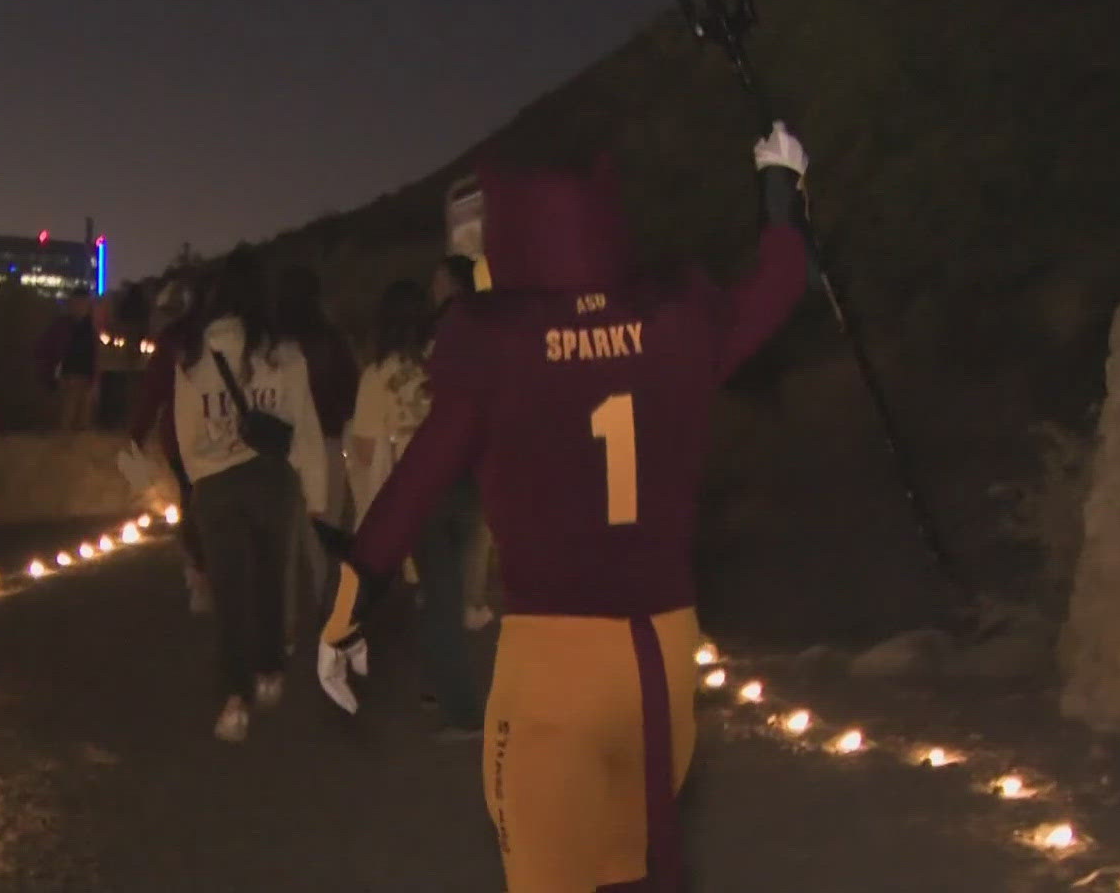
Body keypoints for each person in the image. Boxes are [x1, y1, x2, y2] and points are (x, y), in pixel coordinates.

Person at [318, 125, 811, 891]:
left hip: (555, 665)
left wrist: (348, 605)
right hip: (664, 662)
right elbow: (776, 289)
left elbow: (416, 479)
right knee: (627, 870)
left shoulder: (490, 344)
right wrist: (781, 193)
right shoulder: (676, 316)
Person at [172, 248, 328, 742]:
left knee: (230, 592)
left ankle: (233, 700)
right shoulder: (283, 354)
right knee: (269, 579)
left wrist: (203, 479)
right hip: (271, 479)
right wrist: (315, 488)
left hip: (218, 484)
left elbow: (186, 432)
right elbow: (304, 426)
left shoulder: (199, 355)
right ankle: (268, 672)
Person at [347, 277, 483, 739]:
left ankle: (462, 711)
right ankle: (437, 682)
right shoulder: (444, 359)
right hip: (464, 481)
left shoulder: (378, 374)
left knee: (437, 597)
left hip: (420, 489)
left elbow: (364, 450)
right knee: (446, 592)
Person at [275, 265, 358, 639]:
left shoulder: (274, 345)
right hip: (325, 443)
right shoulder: (332, 339)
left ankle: (285, 625)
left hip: (281, 450)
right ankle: (331, 617)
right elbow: (351, 392)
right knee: (323, 537)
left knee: (283, 542)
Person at [129, 273, 211, 614]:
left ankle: (200, 578)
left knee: (193, 507)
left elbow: (153, 392)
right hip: (215, 439)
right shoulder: (216, 338)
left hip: (183, 441)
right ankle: (214, 576)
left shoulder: (173, 342)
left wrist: (137, 434)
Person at [433, 254, 496, 632]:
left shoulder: (439, 326)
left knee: (452, 521)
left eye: (439, 279)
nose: (433, 287)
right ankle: (469, 602)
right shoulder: (487, 323)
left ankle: (446, 595)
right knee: (475, 526)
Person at [37, 292, 100, 429]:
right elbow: (48, 347)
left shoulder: (90, 326)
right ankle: (64, 444)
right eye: (78, 304)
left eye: (84, 304)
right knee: (67, 414)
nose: (81, 307)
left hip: (86, 376)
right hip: (68, 375)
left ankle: (76, 445)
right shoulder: (63, 326)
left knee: (83, 417)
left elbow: (94, 353)